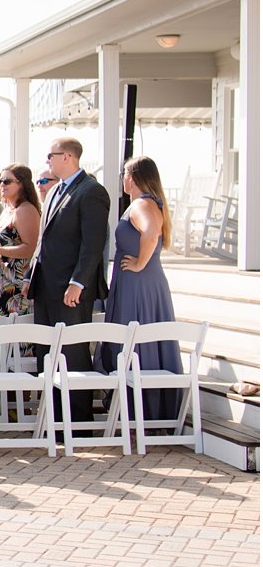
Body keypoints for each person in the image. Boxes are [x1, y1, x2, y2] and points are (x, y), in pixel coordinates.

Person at [25, 136, 111, 429]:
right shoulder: (54, 192)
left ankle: (79, 425)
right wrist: (31, 276)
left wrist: (79, 282)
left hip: (70, 290)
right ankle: (54, 421)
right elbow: (43, 240)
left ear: (68, 157)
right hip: (46, 287)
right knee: (47, 355)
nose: (47, 161)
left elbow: (93, 244)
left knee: (72, 355)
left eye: (51, 155)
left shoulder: (92, 192)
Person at [101, 156, 183, 424]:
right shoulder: (145, 203)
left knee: (136, 340)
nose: (122, 178)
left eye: (125, 173)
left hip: (139, 285)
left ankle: (144, 412)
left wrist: (139, 264)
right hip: (137, 282)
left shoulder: (142, 204)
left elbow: (151, 233)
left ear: (133, 177)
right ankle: (138, 412)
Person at [0, 164, 40, 320]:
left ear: (21, 184)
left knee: (16, 338)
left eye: (7, 181)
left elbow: (30, 248)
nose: (2, 185)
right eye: (0, 181)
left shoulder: (26, 210)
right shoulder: (7, 210)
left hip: (17, 285)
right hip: (0, 282)